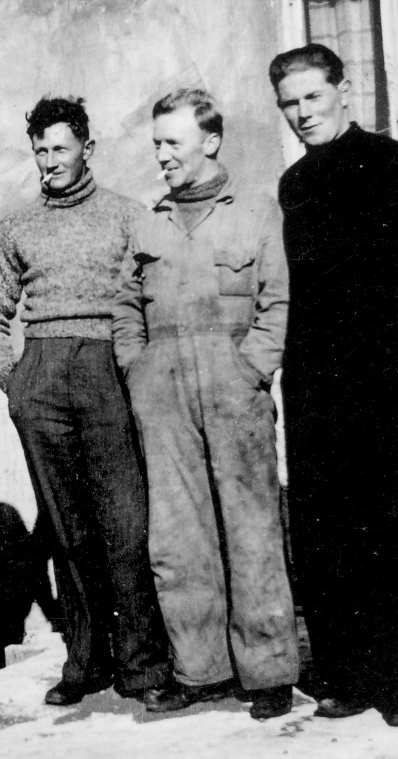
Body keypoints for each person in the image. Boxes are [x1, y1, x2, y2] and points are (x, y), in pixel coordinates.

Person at [269, 44, 398, 727]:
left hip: (385, 374)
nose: (302, 113)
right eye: (289, 104)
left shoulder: (397, 164)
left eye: (312, 97)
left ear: (344, 92)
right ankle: (347, 676)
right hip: (314, 379)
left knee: (395, 522)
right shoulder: (294, 185)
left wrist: (378, 318)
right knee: (327, 526)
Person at [114, 89, 298, 720]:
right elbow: (125, 307)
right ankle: (201, 668)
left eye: (173, 142)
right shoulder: (149, 222)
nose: (162, 155)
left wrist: (253, 369)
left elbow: (277, 300)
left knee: (252, 529)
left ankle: (268, 670)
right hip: (162, 389)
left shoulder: (256, 211)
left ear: (210, 141)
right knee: (177, 536)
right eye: (157, 144)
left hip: (233, 383)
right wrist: (137, 369)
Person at [0, 96, 171, 707]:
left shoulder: (128, 216)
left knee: (125, 523)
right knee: (67, 529)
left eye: (60, 149)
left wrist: (137, 375)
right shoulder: (16, 226)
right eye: (40, 150)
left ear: (87, 149)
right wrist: (16, 382)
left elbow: (155, 300)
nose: (49, 161)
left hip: (107, 371)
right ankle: (85, 661)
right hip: (41, 373)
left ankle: (143, 665)